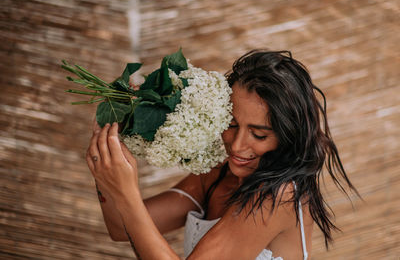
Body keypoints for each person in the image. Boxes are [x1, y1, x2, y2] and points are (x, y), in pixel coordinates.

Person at [86, 50, 358, 260]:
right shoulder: (216, 176)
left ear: (288, 136)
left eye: (259, 135)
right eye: (231, 125)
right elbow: (121, 228)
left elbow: (129, 211)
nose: (238, 146)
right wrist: (108, 158)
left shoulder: (280, 196)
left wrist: (127, 191)